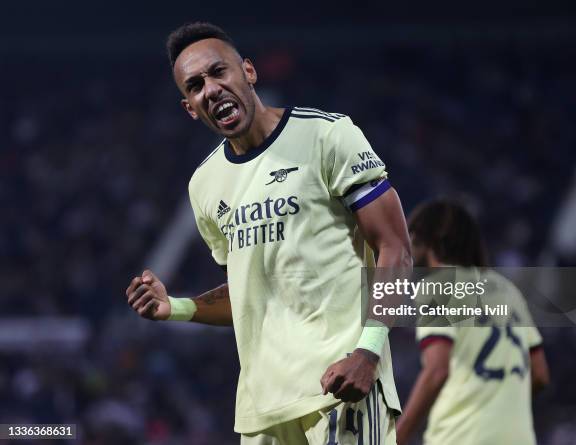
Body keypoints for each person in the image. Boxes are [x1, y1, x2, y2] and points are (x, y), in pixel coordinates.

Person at [125, 22, 411, 444]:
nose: (211, 88)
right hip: (261, 412)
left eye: (219, 72)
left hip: (340, 387)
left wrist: (367, 354)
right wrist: (178, 308)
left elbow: (396, 249)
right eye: (196, 85)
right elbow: (248, 290)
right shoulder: (204, 185)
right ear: (190, 107)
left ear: (249, 72)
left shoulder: (327, 136)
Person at [395, 200, 550, 445]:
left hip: (462, 435)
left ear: (429, 238)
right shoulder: (508, 291)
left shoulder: (439, 284)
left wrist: (397, 436)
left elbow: (437, 371)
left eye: (412, 233)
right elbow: (540, 374)